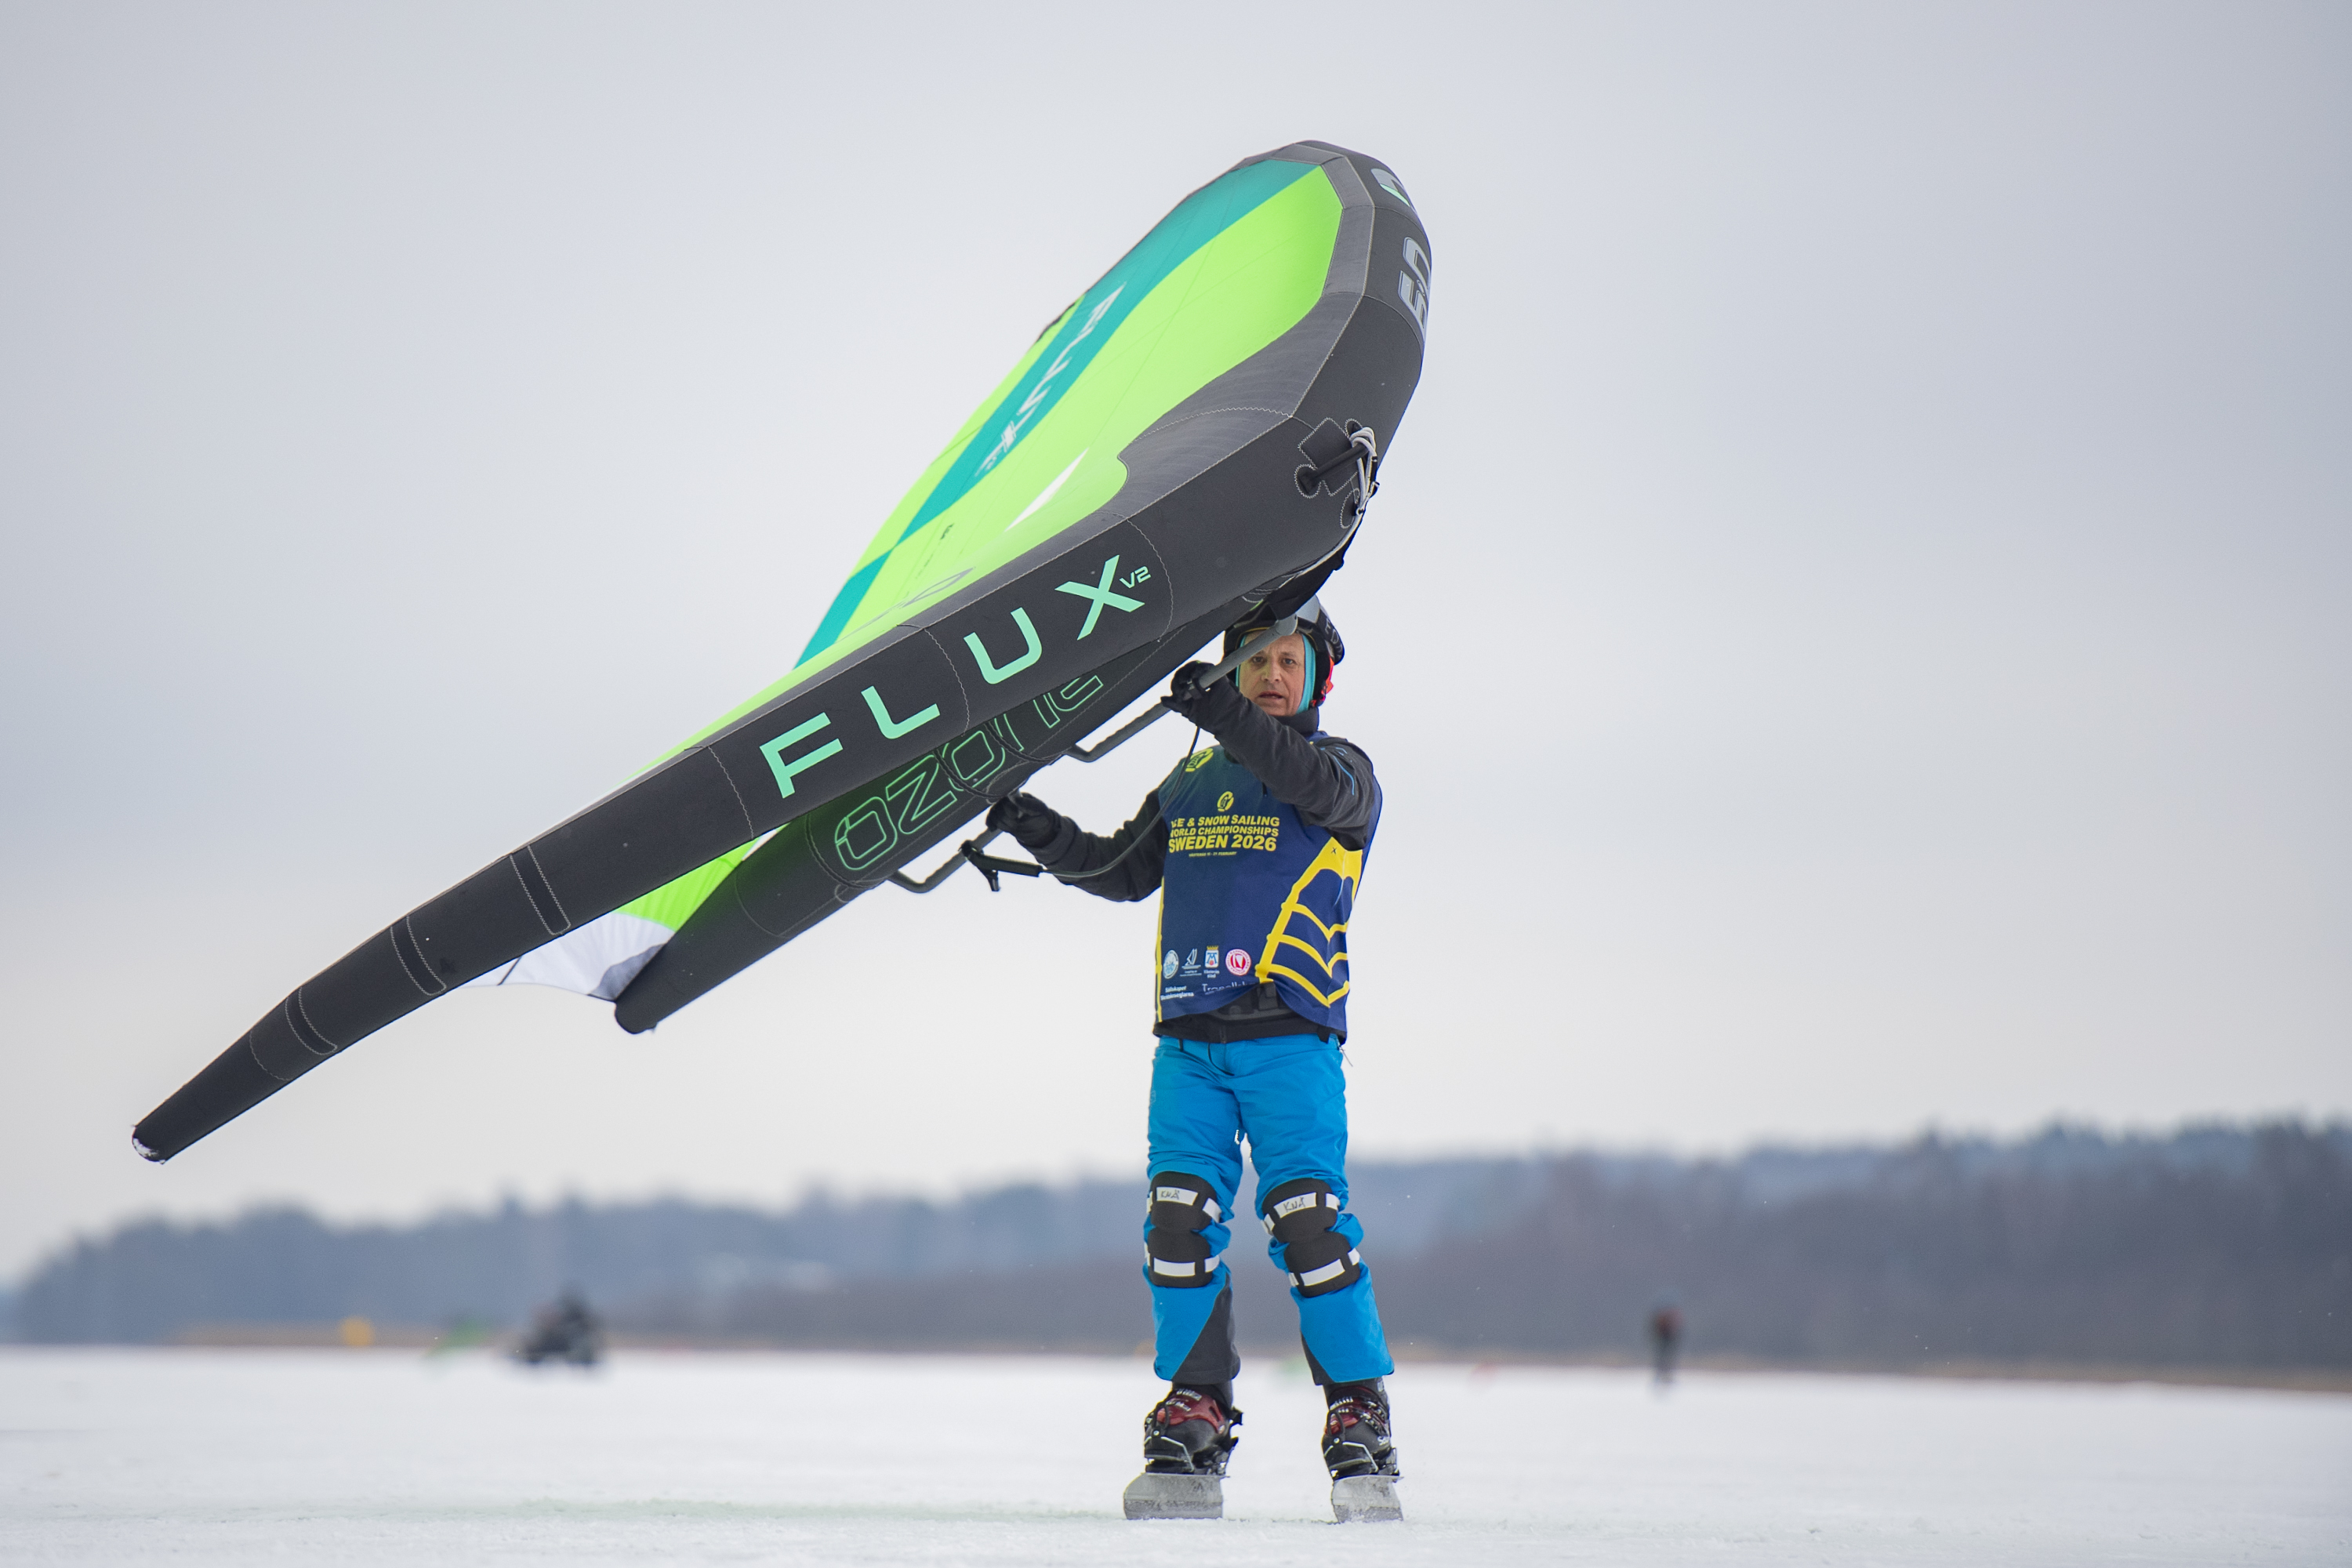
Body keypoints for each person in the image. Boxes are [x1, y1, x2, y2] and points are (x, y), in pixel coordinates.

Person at [985, 597, 1398, 1487]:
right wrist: (1029, 821)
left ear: (1318, 679)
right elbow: (1119, 868)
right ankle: (1198, 1402)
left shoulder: (1342, 771)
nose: (1272, 676)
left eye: (1289, 662)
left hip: (1291, 1039)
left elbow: (1302, 779)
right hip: (1188, 1047)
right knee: (1177, 1224)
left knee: (1308, 1223)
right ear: (1230, 670)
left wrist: (1222, 711)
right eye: (1255, 661)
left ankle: (1358, 1406)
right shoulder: (1191, 781)